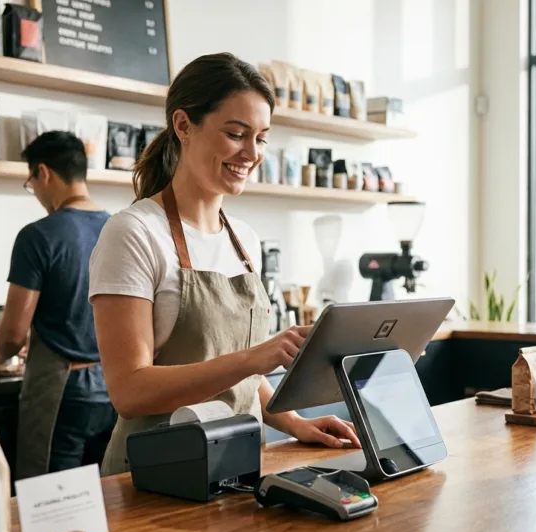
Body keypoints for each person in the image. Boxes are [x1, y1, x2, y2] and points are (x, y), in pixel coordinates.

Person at [88, 53, 359, 477]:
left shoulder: (244, 240)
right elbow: (130, 391)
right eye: (236, 134)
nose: (252, 153)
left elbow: (239, 377)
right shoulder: (134, 233)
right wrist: (255, 357)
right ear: (183, 126)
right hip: (154, 479)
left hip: (236, 468)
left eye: (262, 138)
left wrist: (293, 423)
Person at [0, 131, 116, 479]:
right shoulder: (119, 229)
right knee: (109, 503)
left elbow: (11, 336)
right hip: (116, 389)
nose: (36, 193)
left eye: (32, 183)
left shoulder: (38, 236)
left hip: (62, 395)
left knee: (50, 504)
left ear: (43, 173)